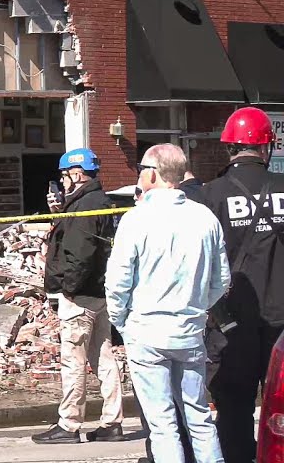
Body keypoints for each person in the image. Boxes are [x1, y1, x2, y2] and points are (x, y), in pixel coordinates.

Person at [106, 144, 229, 463]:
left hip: (146, 331)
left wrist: (122, 323)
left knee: (163, 426)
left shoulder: (135, 220)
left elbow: (117, 282)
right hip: (189, 332)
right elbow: (221, 279)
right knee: (200, 419)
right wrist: (198, 307)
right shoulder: (205, 219)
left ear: (152, 173)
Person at [201, 106, 284, 463]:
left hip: (232, 320)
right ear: (267, 147)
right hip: (282, 323)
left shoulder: (210, 196)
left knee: (233, 407)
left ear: (228, 148)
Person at [33, 147, 124, 445]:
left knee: (73, 360)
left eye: (65, 175)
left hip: (80, 296)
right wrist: (59, 213)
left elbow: (79, 255)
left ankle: (69, 424)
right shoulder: (96, 201)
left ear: (77, 172)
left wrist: (67, 290)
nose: (63, 181)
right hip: (99, 294)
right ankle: (112, 422)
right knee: (104, 357)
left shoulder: (84, 207)